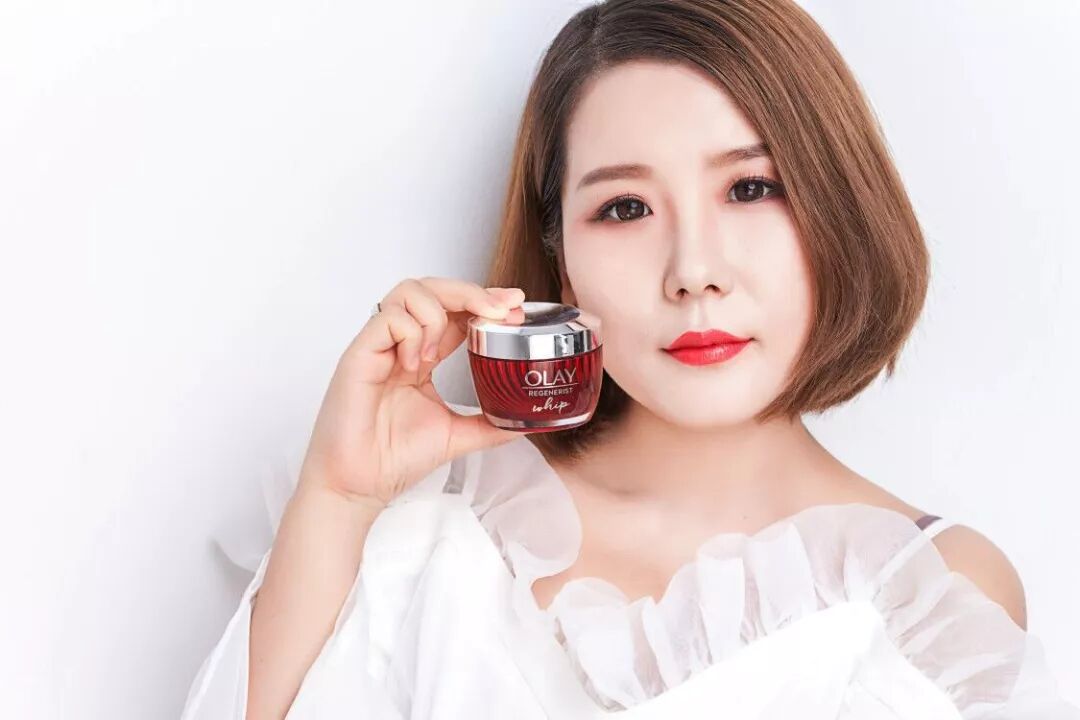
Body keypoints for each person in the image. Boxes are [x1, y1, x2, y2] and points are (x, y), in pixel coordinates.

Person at [181, 0, 1079, 717]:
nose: (694, 271)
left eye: (751, 188)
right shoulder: (438, 535)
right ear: (561, 255)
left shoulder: (925, 594)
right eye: (624, 209)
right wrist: (338, 499)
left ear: (838, 205)